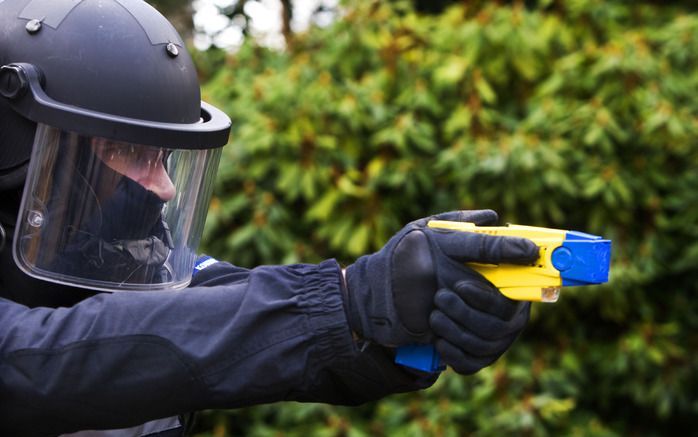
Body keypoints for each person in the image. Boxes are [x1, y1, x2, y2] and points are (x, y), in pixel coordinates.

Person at [0, 1, 539, 436]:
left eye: (163, 157)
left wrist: (399, 321)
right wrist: (347, 300)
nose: (164, 186)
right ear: (16, 150)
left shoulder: (118, 248)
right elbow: (34, 362)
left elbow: (219, 308)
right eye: (127, 150)